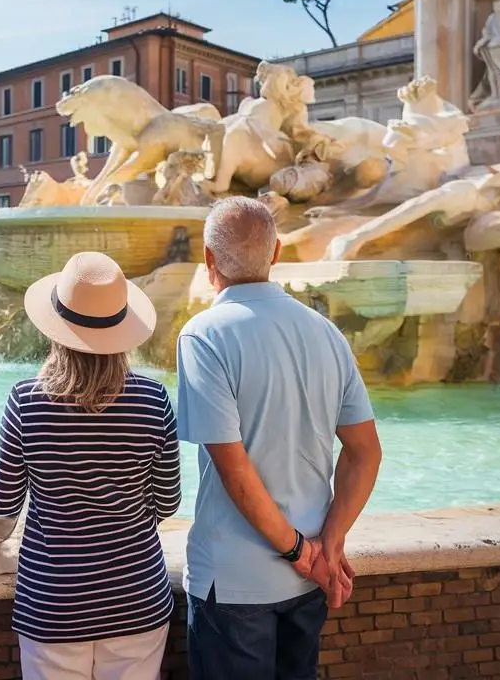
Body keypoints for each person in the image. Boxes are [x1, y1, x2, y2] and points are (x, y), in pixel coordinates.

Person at [176, 196, 383, 679]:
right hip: (307, 581)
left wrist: (298, 550)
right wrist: (327, 546)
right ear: (277, 253)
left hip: (235, 581)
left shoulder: (203, 335)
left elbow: (234, 469)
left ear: (208, 259)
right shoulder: (326, 332)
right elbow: (365, 453)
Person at [0, 251, 181, 680]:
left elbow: (4, 507)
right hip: (137, 596)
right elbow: (168, 502)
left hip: (52, 603)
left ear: (56, 329)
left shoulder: (25, 401)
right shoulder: (154, 401)